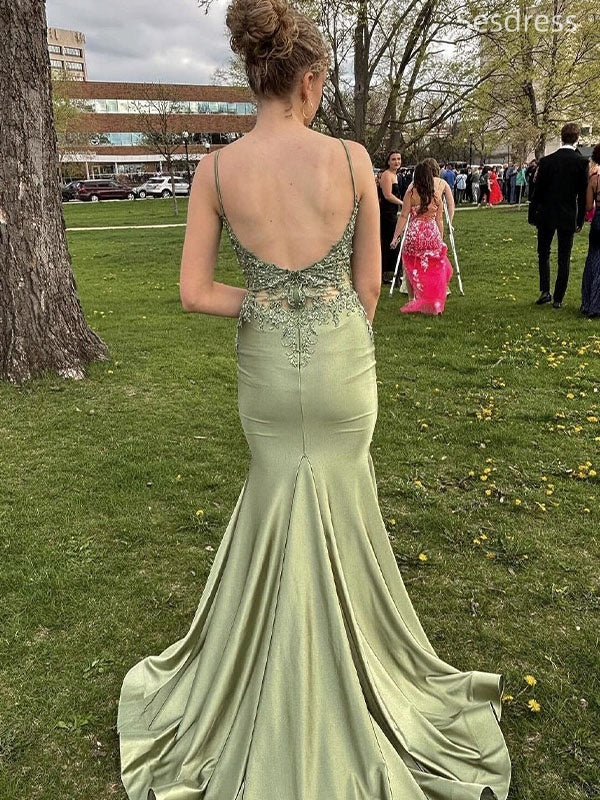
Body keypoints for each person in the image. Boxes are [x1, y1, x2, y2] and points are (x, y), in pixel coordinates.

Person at [117, 2, 512, 798]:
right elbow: (368, 291)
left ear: (253, 75)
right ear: (308, 81)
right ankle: (354, 670)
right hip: (341, 363)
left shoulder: (216, 171)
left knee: (276, 496)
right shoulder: (351, 158)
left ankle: (270, 677)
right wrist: (321, 314)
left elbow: (195, 293)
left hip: (267, 367)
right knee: (342, 500)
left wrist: (269, 303)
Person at [528, 122, 589, 308]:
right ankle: (559, 298)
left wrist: (532, 213)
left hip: (547, 212)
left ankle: (545, 290)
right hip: (567, 213)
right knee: (564, 256)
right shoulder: (581, 162)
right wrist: (580, 219)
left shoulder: (547, 161)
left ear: (561, 137)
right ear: (577, 138)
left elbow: (537, 191)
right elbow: (582, 194)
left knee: (543, 252)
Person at [390, 159, 455, 315]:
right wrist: (440, 238)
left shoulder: (411, 193)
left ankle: (412, 298)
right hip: (431, 233)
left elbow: (403, 216)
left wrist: (396, 236)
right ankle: (434, 300)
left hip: (414, 233)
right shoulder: (436, 196)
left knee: (410, 265)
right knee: (433, 267)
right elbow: (439, 220)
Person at [581, 143, 600, 317]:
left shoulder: (594, 179)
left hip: (598, 221)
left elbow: (588, 206)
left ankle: (588, 303)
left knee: (593, 259)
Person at [379, 150, 403, 283]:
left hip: (393, 213)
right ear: (388, 162)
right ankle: (386, 273)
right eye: (393, 159)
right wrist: (402, 203)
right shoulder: (386, 175)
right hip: (387, 215)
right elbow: (387, 195)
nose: (396, 162)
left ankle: (395, 272)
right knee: (391, 241)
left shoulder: (395, 175)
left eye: (398, 159)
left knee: (395, 241)